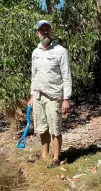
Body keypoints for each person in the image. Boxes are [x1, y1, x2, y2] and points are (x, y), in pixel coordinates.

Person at [28, 20, 72, 168]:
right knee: (42, 128)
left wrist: (66, 98)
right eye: (42, 30)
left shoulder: (60, 51)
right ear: (37, 34)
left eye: (47, 29)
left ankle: (55, 158)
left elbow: (66, 76)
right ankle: (44, 155)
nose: (45, 32)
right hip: (38, 96)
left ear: (51, 31)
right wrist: (32, 96)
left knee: (55, 129)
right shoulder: (35, 52)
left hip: (55, 97)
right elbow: (34, 75)